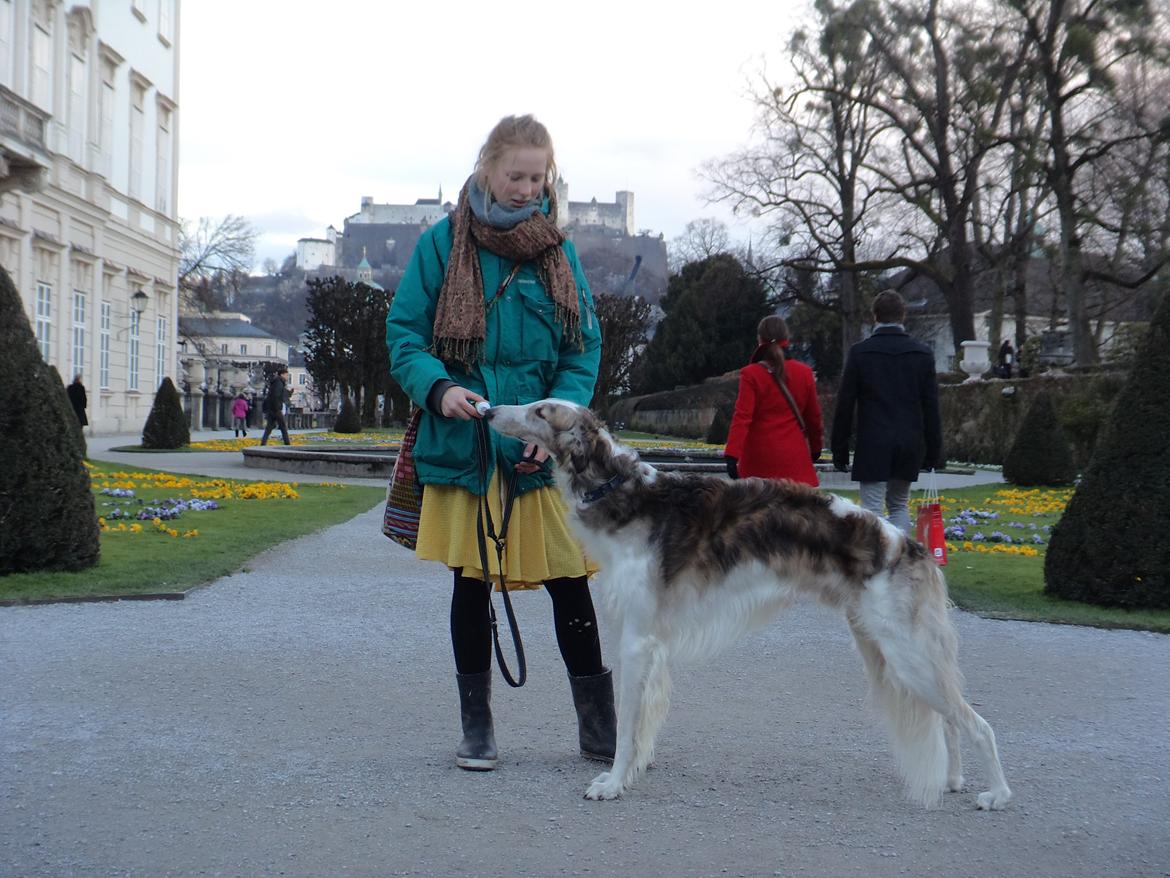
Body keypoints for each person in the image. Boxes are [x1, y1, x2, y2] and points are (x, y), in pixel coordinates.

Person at [386, 114, 611, 772]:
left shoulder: (558, 252)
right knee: (471, 584)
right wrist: (437, 388)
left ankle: (599, 728)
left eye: (537, 177)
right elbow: (404, 334)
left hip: (538, 447)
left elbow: (582, 346)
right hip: (467, 441)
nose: (526, 187)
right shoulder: (440, 245)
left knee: (571, 581)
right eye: (515, 175)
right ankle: (476, 728)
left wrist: (558, 420)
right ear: (487, 169)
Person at [830, 290, 942, 534]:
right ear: (903, 315)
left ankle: (878, 565)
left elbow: (846, 403)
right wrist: (934, 450)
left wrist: (839, 448)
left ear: (875, 316)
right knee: (899, 505)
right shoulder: (922, 354)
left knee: (871, 510)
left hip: (873, 440)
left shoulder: (861, 353)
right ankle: (900, 562)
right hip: (909, 440)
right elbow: (931, 406)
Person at [723, 315, 822, 486]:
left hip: (759, 459)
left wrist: (732, 454)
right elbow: (813, 418)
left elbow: (742, 417)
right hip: (794, 459)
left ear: (759, 339)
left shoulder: (751, 373)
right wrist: (815, 449)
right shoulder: (804, 373)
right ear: (787, 338)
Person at [259, 368, 291, 446]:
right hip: (276, 409)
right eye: (287, 375)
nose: (288, 377)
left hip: (272, 408)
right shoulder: (279, 383)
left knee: (270, 427)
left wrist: (289, 393)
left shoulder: (277, 382)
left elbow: (280, 394)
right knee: (283, 426)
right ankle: (287, 444)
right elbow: (276, 396)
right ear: (282, 375)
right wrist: (277, 408)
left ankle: (263, 443)